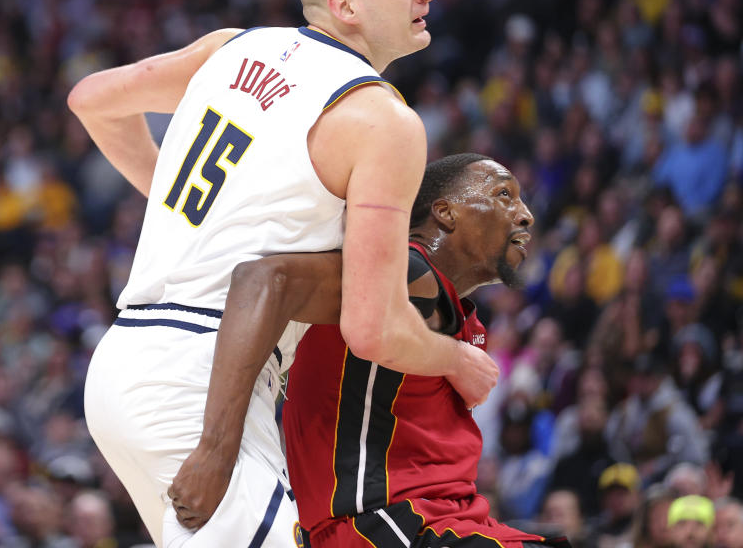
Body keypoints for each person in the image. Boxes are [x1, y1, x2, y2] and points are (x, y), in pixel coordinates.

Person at [68, 0, 498, 548]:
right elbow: (375, 326)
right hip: (203, 376)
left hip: (124, 363)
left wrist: (172, 194)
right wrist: (460, 360)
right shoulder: (381, 119)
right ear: (345, 6)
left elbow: (91, 98)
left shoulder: (231, 48)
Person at [172, 155, 559, 547]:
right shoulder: (403, 273)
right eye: (504, 194)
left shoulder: (453, 312)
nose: (525, 215)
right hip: (381, 524)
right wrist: (215, 454)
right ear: (445, 213)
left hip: (444, 522)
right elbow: (264, 280)